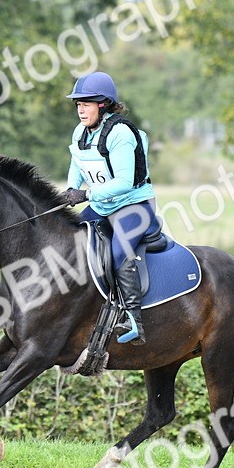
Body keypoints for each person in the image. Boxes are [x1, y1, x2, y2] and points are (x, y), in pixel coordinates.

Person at [61, 71, 161, 345]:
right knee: (68, 241)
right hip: (102, 207)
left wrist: (85, 194)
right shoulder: (80, 132)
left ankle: (133, 319)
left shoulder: (120, 134)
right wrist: (70, 190)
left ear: (103, 104)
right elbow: (77, 163)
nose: (81, 110)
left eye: (86, 104)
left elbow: (124, 183)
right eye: (78, 104)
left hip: (134, 207)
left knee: (118, 253)